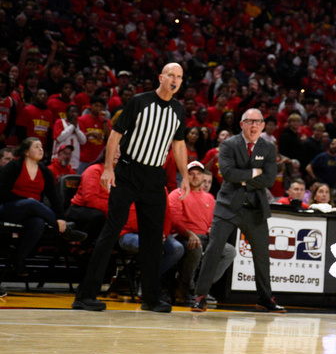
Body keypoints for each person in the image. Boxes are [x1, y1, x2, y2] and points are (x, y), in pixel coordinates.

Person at [73, 63, 189, 313]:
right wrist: (108, 167)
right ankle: (85, 295)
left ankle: (151, 298)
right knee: (111, 230)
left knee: (153, 239)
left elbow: (178, 146)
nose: (175, 80)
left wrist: (185, 177)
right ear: (161, 77)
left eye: (179, 77)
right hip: (128, 171)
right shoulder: (139, 101)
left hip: (154, 177)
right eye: (171, 75)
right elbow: (115, 134)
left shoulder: (179, 110)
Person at [191, 108, 283, 313]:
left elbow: (268, 179)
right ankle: (200, 296)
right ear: (241, 124)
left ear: (262, 125)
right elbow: (228, 173)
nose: (253, 125)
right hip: (228, 206)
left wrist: (243, 180)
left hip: (255, 208)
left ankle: (265, 299)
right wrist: (253, 173)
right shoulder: (229, 144)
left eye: (257, 122)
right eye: (249, 121)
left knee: (262, 255)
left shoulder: (268, 148)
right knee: (214, 249)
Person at [0, 137, 87, 277]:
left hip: (32, 212)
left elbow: (54, 197)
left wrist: (60, 217)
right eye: (36, 147)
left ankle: (18, 259)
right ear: (26, 152)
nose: (41, 150)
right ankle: (67, 232)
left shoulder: (45, 171)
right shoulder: (14, 166)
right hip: (9, 208)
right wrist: (25, 200)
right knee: (32, 203)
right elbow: (2, 191)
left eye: (41, 147)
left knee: (38, 223)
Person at [169, 160, 236, 306]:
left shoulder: (210, 198)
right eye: (191, 174)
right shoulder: (177, 194)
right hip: (182, 236)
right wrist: (189, 234)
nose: (195, 176)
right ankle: (187, 288)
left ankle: (202, 286)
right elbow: (174, 220)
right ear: (185, 176)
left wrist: (213, 230)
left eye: (198, 174)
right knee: (196, 247)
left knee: (229, 251)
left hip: (205, 237)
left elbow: (214, 221)